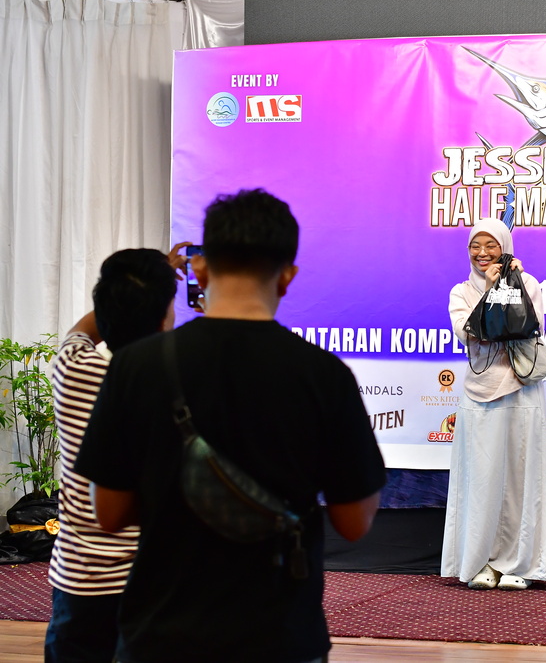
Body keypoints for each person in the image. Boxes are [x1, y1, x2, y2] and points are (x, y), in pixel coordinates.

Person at [74, 189, 385, 663]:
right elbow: (355, 522)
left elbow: (110, 513)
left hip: (161, 633)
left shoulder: (136, 366)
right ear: (288, 276)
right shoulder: (325, 374)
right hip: (281, 636)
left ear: (199, 269)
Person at [45, 245, 187, 663]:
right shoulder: (175, 384)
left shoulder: (72, 368)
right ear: (163, 318)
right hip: (153, 581)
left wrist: (139, 287)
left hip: (79, 580)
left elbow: (84, 330)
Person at [440, 218, 546, 590]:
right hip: (479, 394)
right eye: (476, 246)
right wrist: (492, 290)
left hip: (521, 391)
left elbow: (528, 327)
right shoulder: (460, 292)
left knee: (521, 480)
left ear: (505, 248)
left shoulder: (529, 283)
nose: (482, 253)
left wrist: (512, 285)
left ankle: (519, 565)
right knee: (481, 480)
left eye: (491, 245)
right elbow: (472, 333)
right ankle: (482, 563)